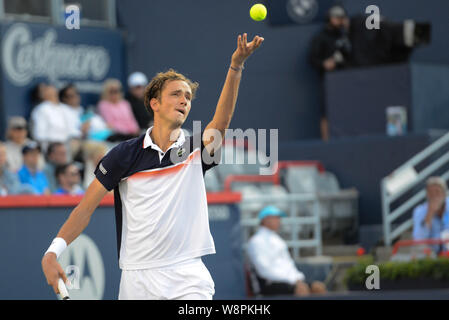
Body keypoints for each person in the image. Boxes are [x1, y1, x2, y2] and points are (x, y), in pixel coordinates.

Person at [41, 33, 264, 300]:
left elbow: (221, 123)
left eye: (188, 97)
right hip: (136, 280)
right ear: (154, 103)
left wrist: (236, 66)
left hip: (187, 276)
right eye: (176, 94)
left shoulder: (195, 149)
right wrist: (53, 252)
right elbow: (85, 208)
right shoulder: (123, 155)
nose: (184, 100)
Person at [246, 206, 327, 297]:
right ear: (265, 220)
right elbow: (264, 271)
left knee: (318, 287)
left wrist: (297, 279)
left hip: (285, 281)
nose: (279, 221)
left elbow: (288, 264)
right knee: (301, 289)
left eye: (278, 218)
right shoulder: (256, 242)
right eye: (275, 218)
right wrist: (293, 281)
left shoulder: (277, 240)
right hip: (268, 284)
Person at [309, 5, 352, 141]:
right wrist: (324, 64)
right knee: (326, 112)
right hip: (328, 80)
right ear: (330, 18)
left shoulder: (346, 36)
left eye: (342, 19)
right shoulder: (321, 37)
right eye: (337, 18)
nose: (340, 21)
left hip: (346, 78)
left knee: (348, 108)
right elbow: (312, 59)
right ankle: (326, 141)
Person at [30, 85, 76, 151]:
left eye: (53, 92)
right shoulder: (41, 109)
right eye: (48, 91)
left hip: (67, 143)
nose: (52, 93)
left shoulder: (66, 109)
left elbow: (73, 130)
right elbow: (39, 134)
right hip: (50, 145)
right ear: (43, 95)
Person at [413, 177, 449, 253]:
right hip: (431, 255)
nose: (434, 196)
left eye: (437, 192)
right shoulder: (420, 211)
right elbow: (419, 240)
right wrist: (429, 214)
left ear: (444, 194)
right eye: (430, 193)